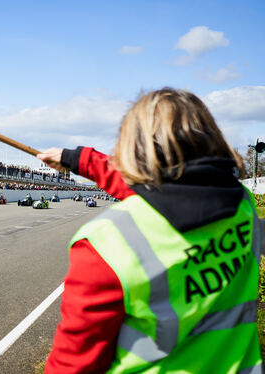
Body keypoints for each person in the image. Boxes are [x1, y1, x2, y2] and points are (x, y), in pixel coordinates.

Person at [37, 88, 264, 373]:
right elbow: (173, 185)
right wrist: (76, 158)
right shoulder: (243, 205)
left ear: (133, 147)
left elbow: (72, 364)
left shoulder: (107, 241)